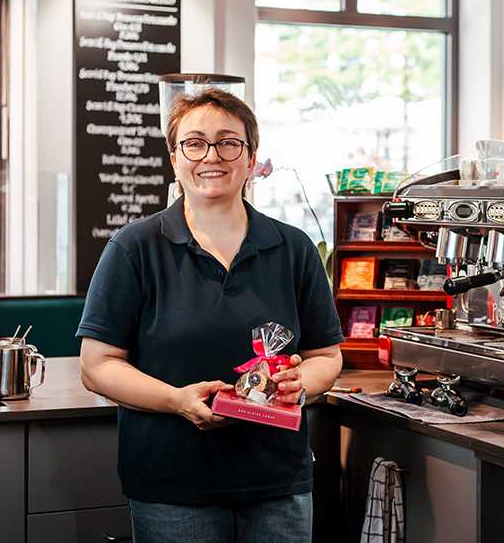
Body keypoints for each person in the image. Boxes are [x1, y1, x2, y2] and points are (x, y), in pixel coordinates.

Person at [76, 88, 344, 542]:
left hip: (278, 483)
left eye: (228, 142)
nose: (211, 156)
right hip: (173, 487)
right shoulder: (134, 248)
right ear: (174, 157)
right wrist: (176, 401)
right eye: (195, 142)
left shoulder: (294, 248)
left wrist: (304, 384)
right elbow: (96, 366)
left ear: (251, 157)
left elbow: (326, 356)